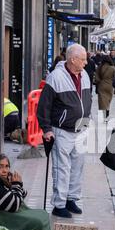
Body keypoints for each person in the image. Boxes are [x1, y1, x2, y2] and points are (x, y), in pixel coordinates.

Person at [37, 44, 92, 218]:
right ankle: (59, 204)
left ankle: (71, 198)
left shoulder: (85, 75)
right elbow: (44, 105)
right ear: (72, 59)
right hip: (61, 130)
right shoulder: (56, 77)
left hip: (80, 128)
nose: (86, 62)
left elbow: (87, 99)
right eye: (82, 59)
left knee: (77, 166)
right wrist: (46, 129)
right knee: (62, 168)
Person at [95, 55, 115, 122]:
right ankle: (106, 116)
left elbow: (96, 77)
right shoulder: (113, 68)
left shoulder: (100, 67)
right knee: (108, 102)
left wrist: (100, 81)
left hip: (102, 86)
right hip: (110, 86)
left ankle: (102, 117)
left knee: (102, 103)